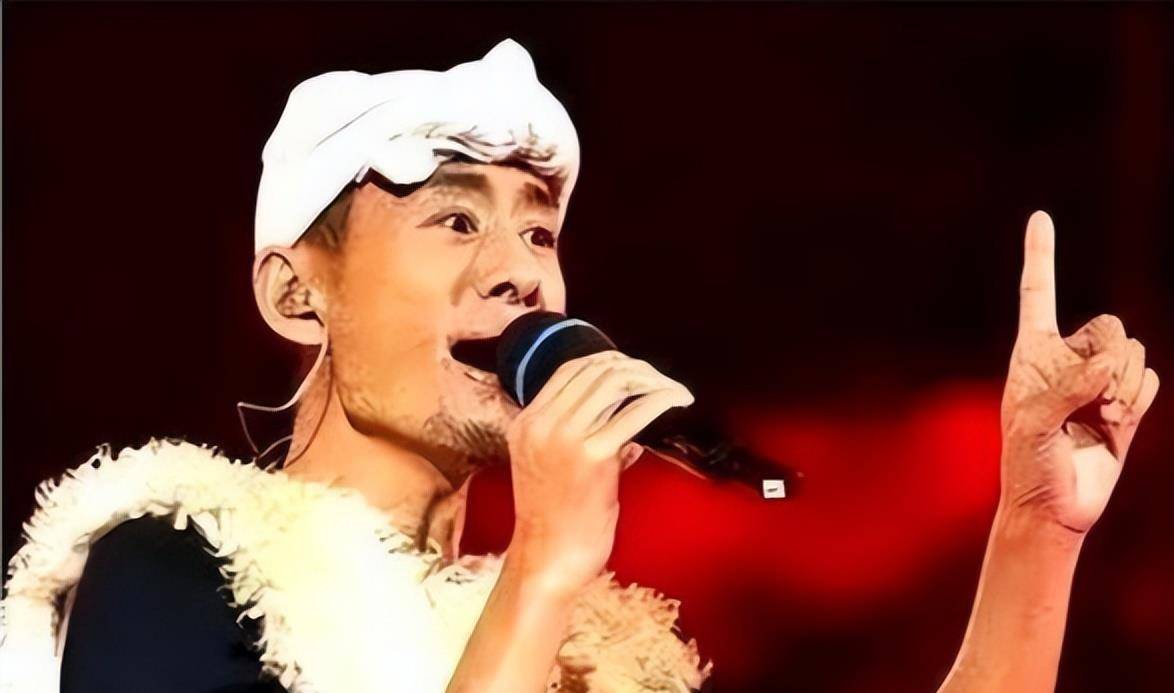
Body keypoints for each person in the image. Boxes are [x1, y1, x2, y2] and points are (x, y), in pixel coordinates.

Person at [0, 38, 1160, 693]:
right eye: (456, 221)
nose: (521, 274)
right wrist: (545, 563)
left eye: (540, 233)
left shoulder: (597, 655)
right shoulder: (173, 564)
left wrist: (1033, 530)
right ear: (296, 295)